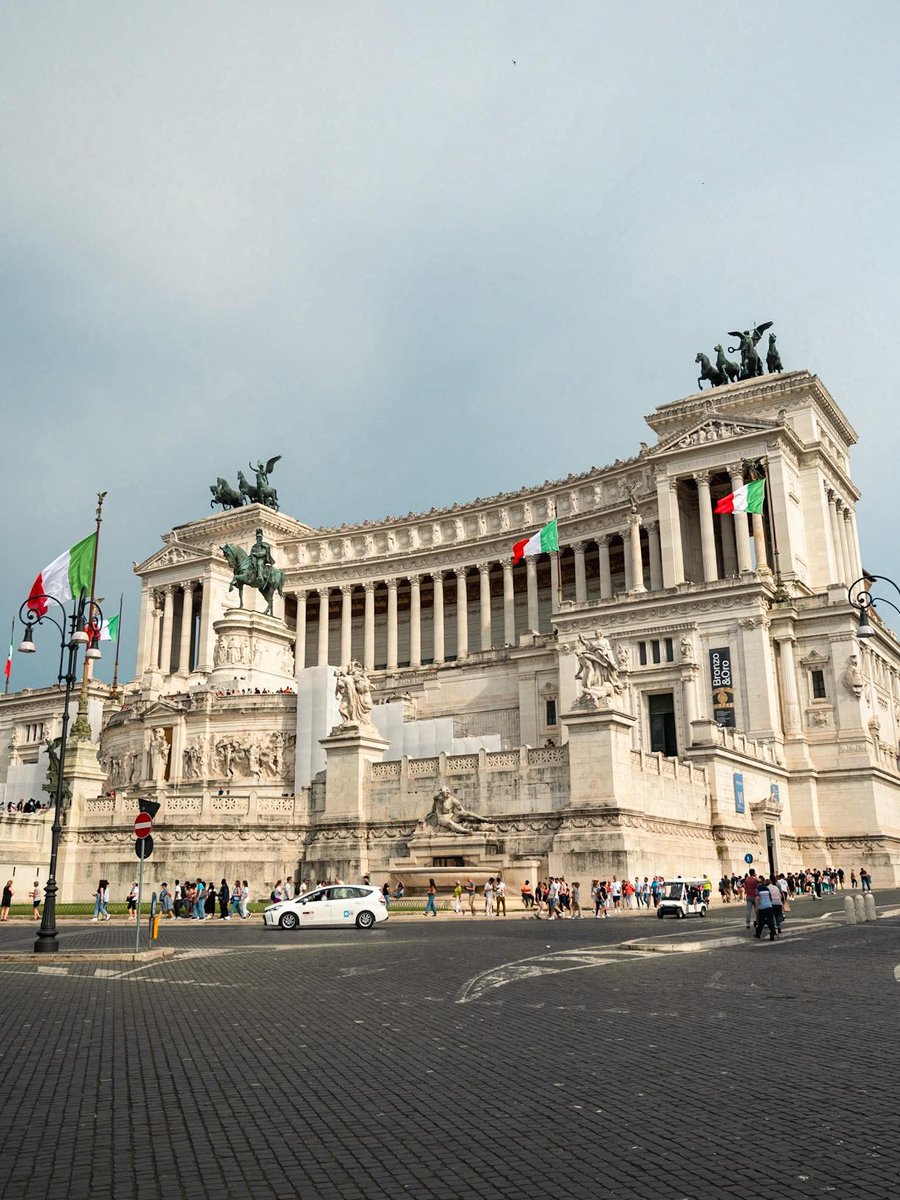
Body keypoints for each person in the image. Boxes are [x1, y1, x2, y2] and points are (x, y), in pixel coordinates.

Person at [754, 876, 777, 941]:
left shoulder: (757, 889)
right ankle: (772, 932)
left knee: (761, 922)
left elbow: (757, 898)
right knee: (770, 921)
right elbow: (770, 897)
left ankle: (758, 934)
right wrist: (769, 903)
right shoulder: (766, 888)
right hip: (769, 906)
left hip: (762, 907)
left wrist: (756, 907)